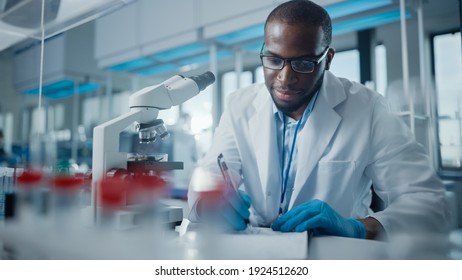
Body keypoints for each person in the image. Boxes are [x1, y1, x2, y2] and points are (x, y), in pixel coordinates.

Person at [187, 0, 448, 240]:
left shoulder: (367, 108)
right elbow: (209, 175)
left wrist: (357, 227)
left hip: (336, 256)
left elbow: (430, 203)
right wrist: (209, 202)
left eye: (303, 64)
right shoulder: (239, 106)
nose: (285, 78)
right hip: (258, 252)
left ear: (328, 59)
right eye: (274, 60)